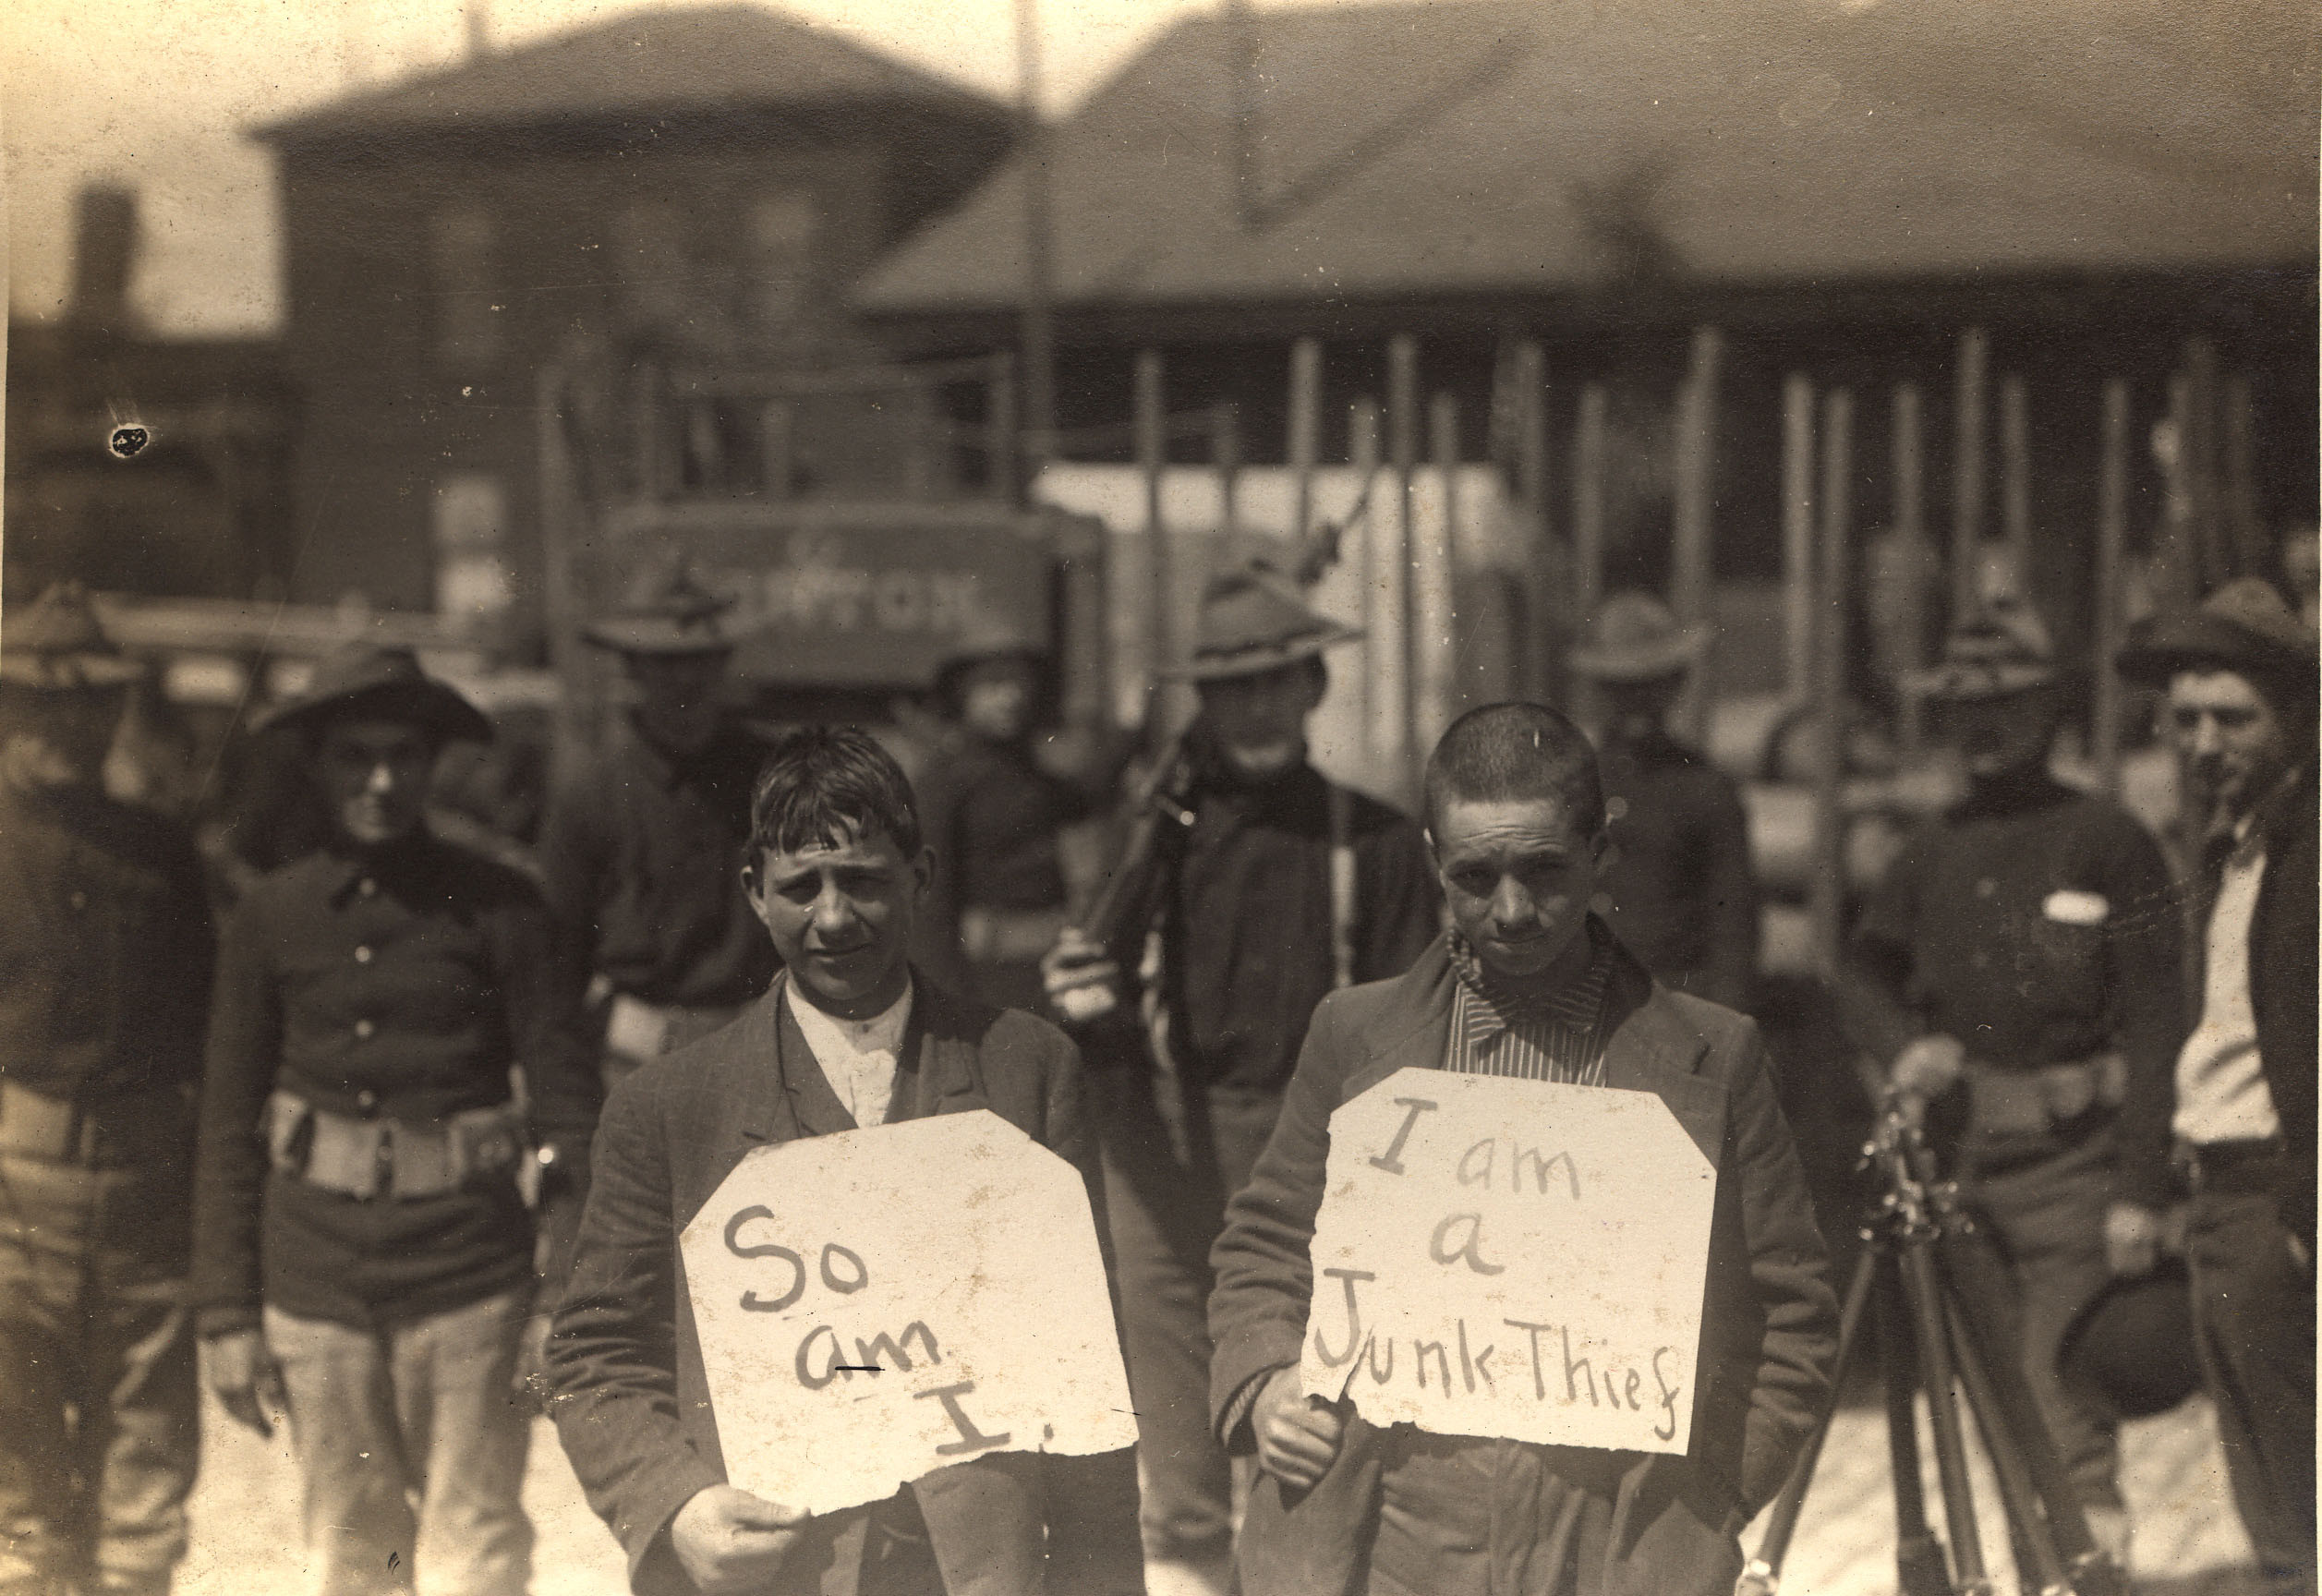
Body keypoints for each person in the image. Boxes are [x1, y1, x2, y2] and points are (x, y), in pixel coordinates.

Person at [1205, 700, 1836, 1596]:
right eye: (1475, 876)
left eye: (1544, 872)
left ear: (1601, 856)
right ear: (1433, 863)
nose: (1510, 911)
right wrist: (1266, 1383)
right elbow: (1265, 1248)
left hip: (1614, 1540)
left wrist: (1711, 1495)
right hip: (1388, 1534)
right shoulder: (1354, 1037)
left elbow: (1791, 1317)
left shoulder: (1714, 1058)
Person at [547, 726, 1141, 1596]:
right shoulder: (669, 1107)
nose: (832, 917)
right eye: (801, 887)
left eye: (863, 880)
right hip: (784, 1568)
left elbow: (1089, 1362)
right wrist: (675, 1505)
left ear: (923, 876)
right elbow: (596, 1350)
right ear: (755, 891)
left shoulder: (1027, 1069)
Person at [1043, 562, 1442, 1594]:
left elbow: (1410, 1030)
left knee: (1303, 1422)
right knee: (1175, 1436)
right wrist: (1084, 1003)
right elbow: (1100, 1000)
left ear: (1313, 687)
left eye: (1276, 682)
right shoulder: (1146, 841)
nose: (1255, 707)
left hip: (1321, 1155)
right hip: (1161, 1139)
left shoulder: (1382, 841)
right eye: (1231, 688)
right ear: (1202, 703)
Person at [191, 644, 601, 1596]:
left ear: (432, 763)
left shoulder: (503, 906)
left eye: (404, 757)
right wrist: (224, 1311)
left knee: (474, 1549)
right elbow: (225, 1122)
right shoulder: (270, 918)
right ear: (318, 765)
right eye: (354, 757)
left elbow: (569, 1110)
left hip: (469, 1281)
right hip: (316, 1284)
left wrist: (557, 1295)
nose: (380, 781)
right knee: (348, 1549)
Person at [1834, 605, 2183, 1564]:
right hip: (1961, 1166)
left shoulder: (2107, 838)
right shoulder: (1933, 848)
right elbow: (1858, 968)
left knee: (2064, 1402)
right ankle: (2039, 1574)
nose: (1982, 729)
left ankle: (2089, 1579)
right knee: (1990, 1394)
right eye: (1961, 712)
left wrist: (2143, 1184)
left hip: (2078, 1168)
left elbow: (2160, 1016)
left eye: (2007, 706)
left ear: (2051, 708)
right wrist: (1905, 1046)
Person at [0, 583, 215, 1596]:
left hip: (142, 1184)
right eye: (39, 702)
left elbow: (201, 1027)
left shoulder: (160, 854)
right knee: (21, 1481)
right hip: (11, 1186)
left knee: (144, 1468)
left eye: (89, 703)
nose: (66, 725)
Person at [2115, 577, 2315, 1596]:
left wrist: (2305, 1207)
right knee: (2262, 1468)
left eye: (2233, 717)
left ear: (2296, 715)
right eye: (2185, 720)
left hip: (2282, 1194)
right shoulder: (2236, 845)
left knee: (2299, 1475)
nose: (2203, 743)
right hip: (2222, 1192)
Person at [538, 562, 777, 1088]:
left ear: (724, 665)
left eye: (701, 662)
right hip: (636, 1059)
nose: (684, 682)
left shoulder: (777, 781)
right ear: (631, 669)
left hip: (763, 1049)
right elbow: (557, 969)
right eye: (663, 664)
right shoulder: (593, 798)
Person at [1567, 592, 1760, 1010]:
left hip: (1671, 1003)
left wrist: (1718, 1031)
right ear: (1599, 690)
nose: (1636, 702)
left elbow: (1733, 931)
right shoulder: (1568, 779)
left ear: (1674, 686)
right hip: (1571, 998)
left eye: (1649, 686)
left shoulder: (1707, 789)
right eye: (1621, 688)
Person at [910, 626, 1094, 1012]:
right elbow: (929, 904)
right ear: (962, 693)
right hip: (983, 977)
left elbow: (1087, 806)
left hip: (1052, 971)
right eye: (993, 685)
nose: (1011, 697)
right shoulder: (943, 783)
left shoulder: (1037, 777)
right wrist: (945, 1000)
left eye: (1018, 682)